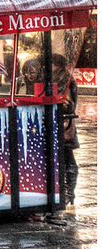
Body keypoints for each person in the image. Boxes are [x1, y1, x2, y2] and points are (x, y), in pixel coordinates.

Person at [52, 54, 80, 208]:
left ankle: (69, 191)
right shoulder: (56, 76)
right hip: (58, 122)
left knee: (67, 157)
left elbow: (68, 103)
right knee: (63, 157)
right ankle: (65, 190)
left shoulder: (65, 79)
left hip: (64, 123)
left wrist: (54, 102)